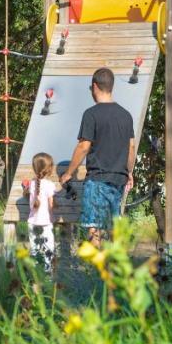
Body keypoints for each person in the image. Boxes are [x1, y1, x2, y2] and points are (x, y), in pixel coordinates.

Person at [60, 67, 135, 247]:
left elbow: (84, 146)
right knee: (114, 228)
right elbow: (131, 147)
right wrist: (129, 172)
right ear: (111, 87)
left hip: (97, 180)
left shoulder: (91, 114)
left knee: (94, 229)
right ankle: (117, 270)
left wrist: (69, 173)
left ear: (94, 86)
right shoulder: (126, 115)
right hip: (118, 179)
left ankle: (95, 272)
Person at [25, 153, 58, 274]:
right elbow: (52, 205)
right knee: (49, 249)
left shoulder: (31, 184)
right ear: (49, 169)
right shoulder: (50, 185)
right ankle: (48, 275)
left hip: (32, 222)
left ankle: (35, 274)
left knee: (34, 249)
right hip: (46, 223)